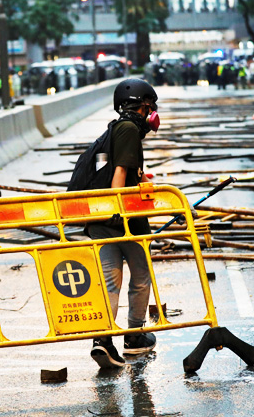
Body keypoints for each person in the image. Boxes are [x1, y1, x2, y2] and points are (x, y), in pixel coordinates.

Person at [88, 78, 159, 369]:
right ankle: (134, 337)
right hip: (125, 220)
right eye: (150, 108)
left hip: (102, 220)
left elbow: (127, 172)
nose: (152, 115)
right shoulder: (130, 130)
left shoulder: (115, 129)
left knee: (109, 282)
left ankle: (102, 340)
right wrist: (121, 209)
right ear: (142, 106)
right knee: (141, 277)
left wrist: (141, 181)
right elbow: (119, 172)